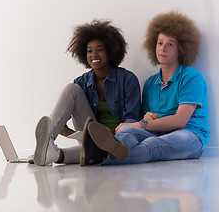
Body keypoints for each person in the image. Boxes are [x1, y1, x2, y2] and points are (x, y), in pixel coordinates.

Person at [81, 11, 209, 166]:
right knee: (125, 132)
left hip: (190, 137)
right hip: (157, 132)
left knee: (153, 145)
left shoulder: (191, 77)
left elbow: (180, 120)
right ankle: (104, 150)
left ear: (182, 49)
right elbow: (146, 118)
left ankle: (103, 157)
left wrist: (140, 124)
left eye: (170, 44)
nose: (163, 48)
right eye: (160, 43)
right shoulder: (150, 83)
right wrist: (144, 119)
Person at [33, 19, 141, 166]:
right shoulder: (81, 83)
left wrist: (107, 133)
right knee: (72, 89)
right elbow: (62, 126)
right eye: (89, 50)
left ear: (110, 51)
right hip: (89, 135)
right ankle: (47, 143)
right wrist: (80, 135)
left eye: (100, 49)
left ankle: (53, 155)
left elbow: (132, 122)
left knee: (103, 149)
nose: (94, 54)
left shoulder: (127, 79)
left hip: (118, 138)